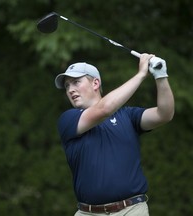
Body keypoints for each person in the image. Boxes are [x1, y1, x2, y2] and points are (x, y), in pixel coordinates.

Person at [54, 54, 174, 216]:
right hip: (88, 213)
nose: (70, 89)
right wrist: (140, 75)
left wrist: (161, 76)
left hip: (131, 210)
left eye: (76, 82)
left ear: (95, 83)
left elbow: (164, 115)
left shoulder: (127, 116)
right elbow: (104, 109)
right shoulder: (68, 120)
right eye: (67, 86)